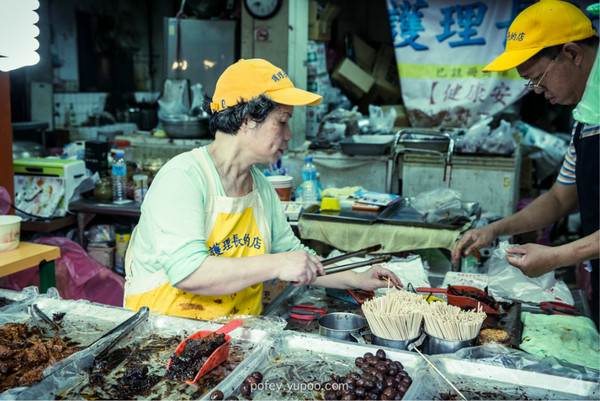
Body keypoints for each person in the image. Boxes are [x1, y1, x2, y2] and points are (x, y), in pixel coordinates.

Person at [124, 58, 402, 320]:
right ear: (246, 119)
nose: (289, 134)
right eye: (282, 121)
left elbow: (295, 255)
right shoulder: (183, 177)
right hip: (163, 344)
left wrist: (358, 277)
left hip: (236, 340)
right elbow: (189, 273)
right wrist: (276, 264)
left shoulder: (261, 188)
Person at [452, 0, 599, 325]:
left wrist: (558, 256)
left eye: (537, 78)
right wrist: (495, 229)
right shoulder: (586, 119)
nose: (535, 90)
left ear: (572, 54)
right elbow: (561, 197)